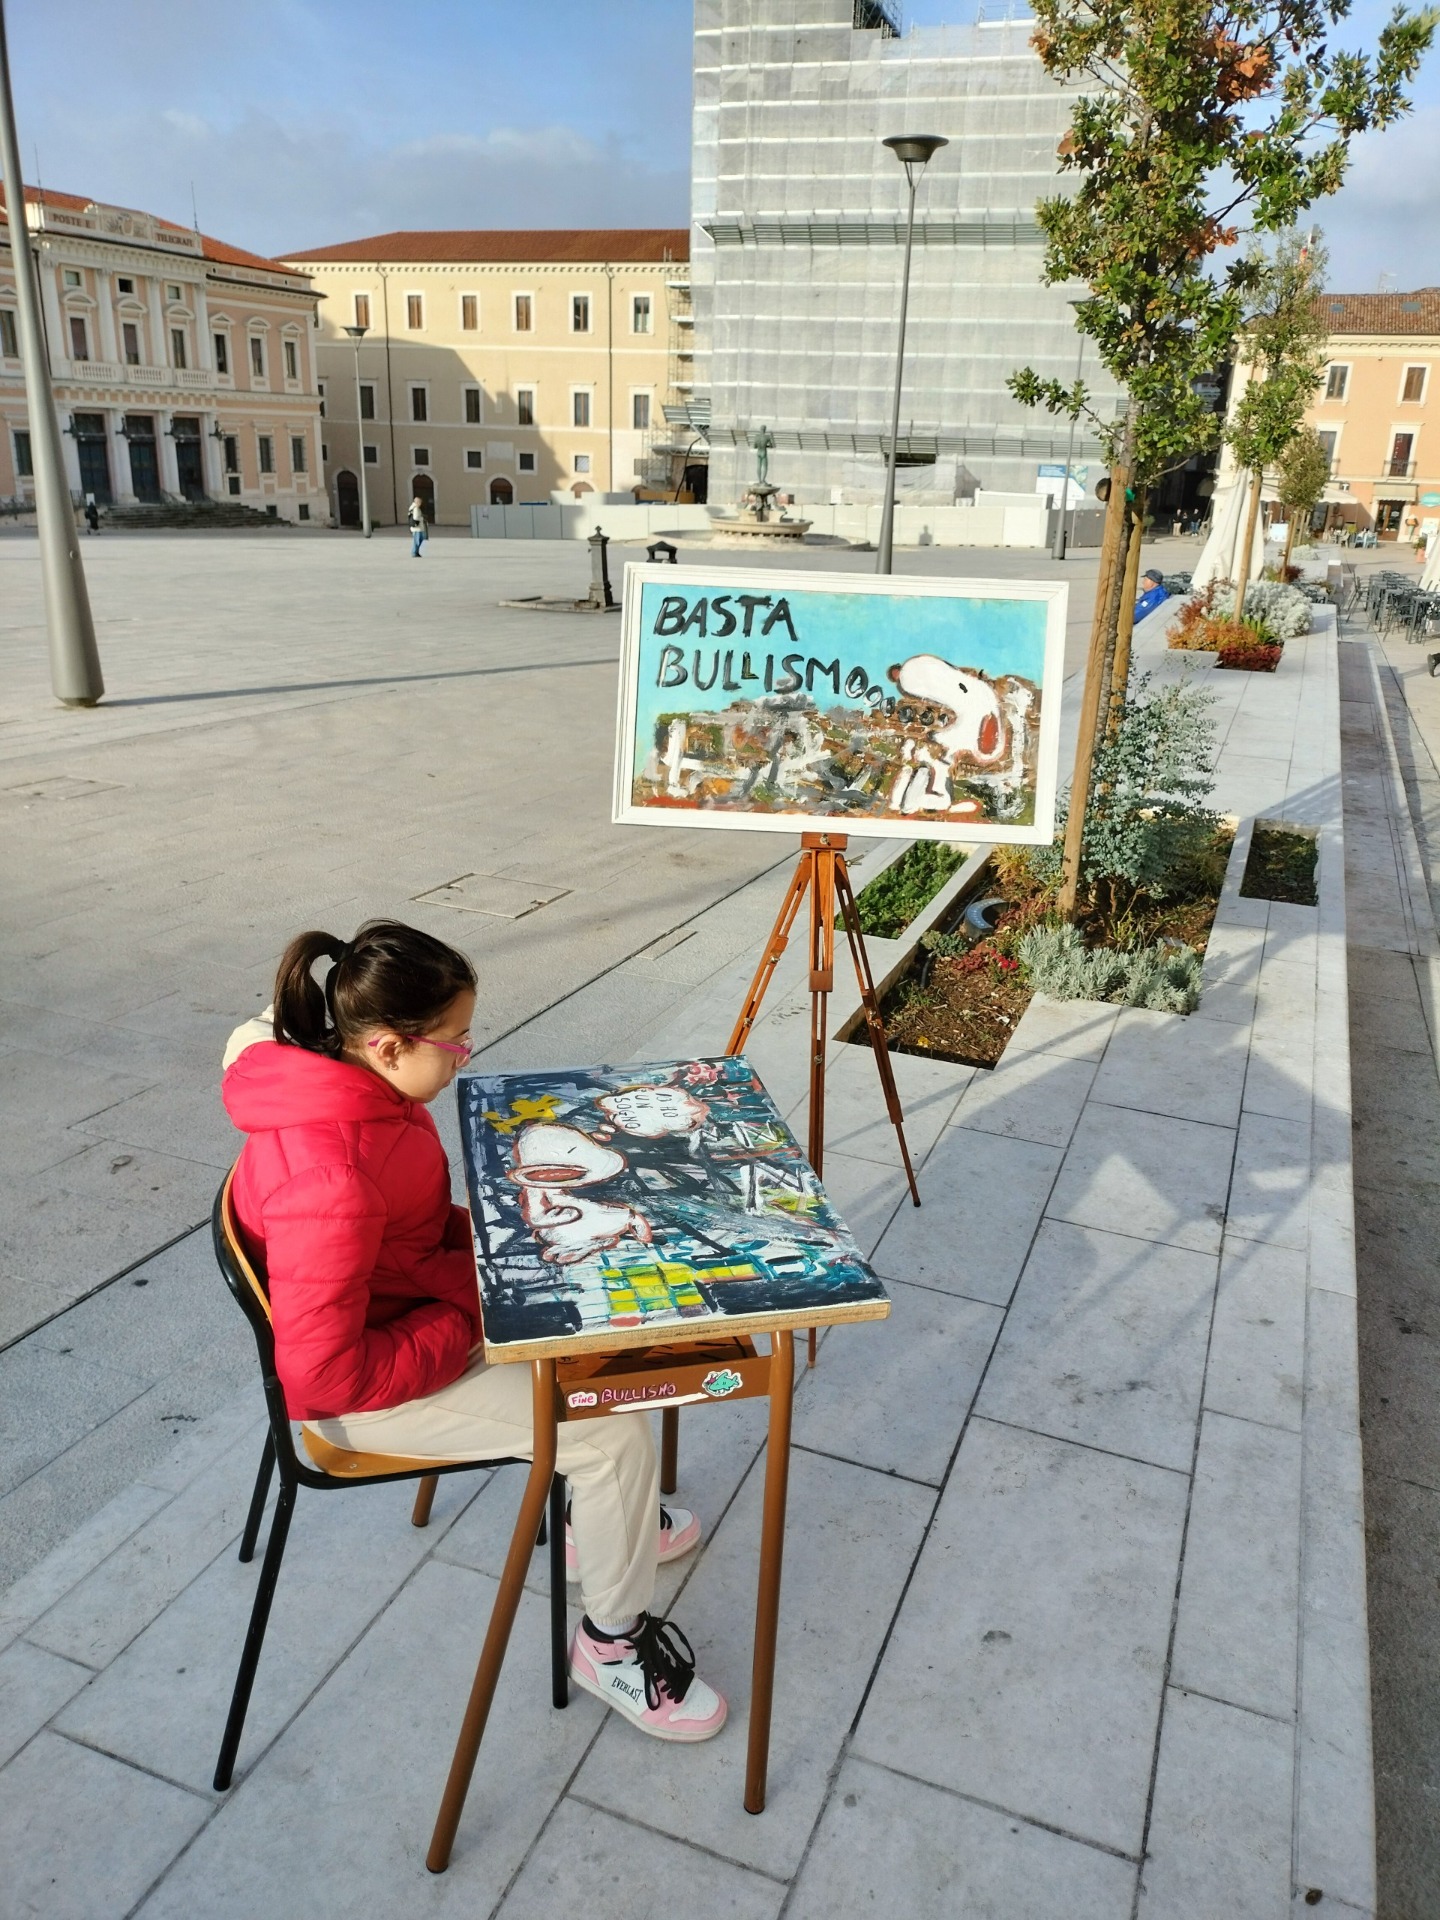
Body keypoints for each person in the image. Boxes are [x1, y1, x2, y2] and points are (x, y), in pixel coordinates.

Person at [221, 920, 726, 1742]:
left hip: (400, 1311)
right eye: (455, 1044)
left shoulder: (335, 1075)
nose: (465, 1056)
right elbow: (324, 1381)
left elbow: (405, 1226)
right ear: (389, 1046)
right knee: (613, 1431)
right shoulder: (332, 1176)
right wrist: (466, 1322)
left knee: (594, 1317)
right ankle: (612, 1645)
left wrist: (493, 1268)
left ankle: (605, 1523)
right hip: (366, 1394)